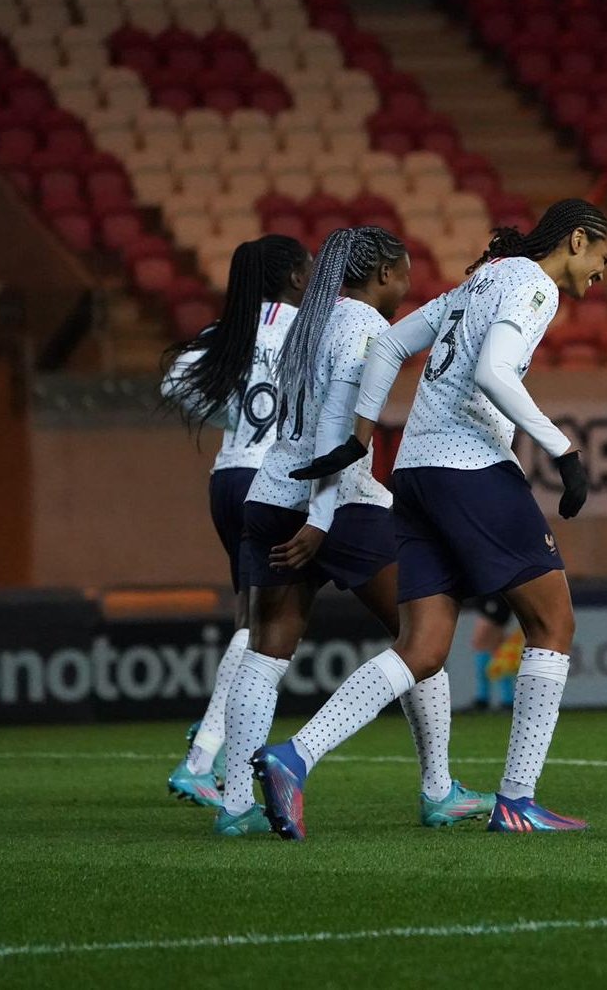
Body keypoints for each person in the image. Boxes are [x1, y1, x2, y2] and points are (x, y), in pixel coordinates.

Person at [253, 198, 607, 839]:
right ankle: (517, 801)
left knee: (421, 648)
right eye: (602, 259)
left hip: (414, 475)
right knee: (553, 622)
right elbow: (494, 372)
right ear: (577, 240)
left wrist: (363, 435)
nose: (601, 275)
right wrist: (565, 450)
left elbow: (391, 343)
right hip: (468, 466)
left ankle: (294, 755)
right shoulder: (532, 284)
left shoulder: (484, 276)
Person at [216, 225, 494, 837]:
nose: (409, 285)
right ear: (384, 275)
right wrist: (321, 520)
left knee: (265, 654)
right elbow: (338, 435)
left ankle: (236, 805)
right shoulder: (366, 329)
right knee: (422, 634)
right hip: (339, 504)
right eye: (405, 273)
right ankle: (437, 789)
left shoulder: (309, 322)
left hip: (267, 494)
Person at [160, 234, 311, 807]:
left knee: (252, 618)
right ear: (296, 278)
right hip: (272, 480)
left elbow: (175, 383)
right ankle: (204, 755)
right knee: (262, 626)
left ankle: (211, 740)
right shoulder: (306, 327)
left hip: (228, 474)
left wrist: (234, 413)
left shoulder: (229, 331)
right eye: (309, 268)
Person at [469, 595, 522, 711]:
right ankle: (489, 697)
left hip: (496, 601)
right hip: (492, 601)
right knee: (488, 648)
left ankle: (500, 698)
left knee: (488, 647)